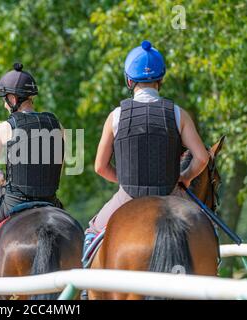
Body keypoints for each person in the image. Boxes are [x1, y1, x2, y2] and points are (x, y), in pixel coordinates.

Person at [83, 40, 210, 258]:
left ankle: (84, 290)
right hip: (171, 194)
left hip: (128, 195)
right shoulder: (179, 113)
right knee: (205, 234)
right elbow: (202, 157)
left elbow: (100, 167)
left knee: (92, 234)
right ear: (161, 79)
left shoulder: (116, 116)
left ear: (129, 80)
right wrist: (185, 178)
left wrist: (125, 181)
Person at [0, 63, 65, 280]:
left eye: (4, 98)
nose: (3, 103)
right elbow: (58, 165)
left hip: (14, 203)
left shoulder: (4, 128)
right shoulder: (55, 123)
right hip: (51, 201)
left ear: (12, 99)